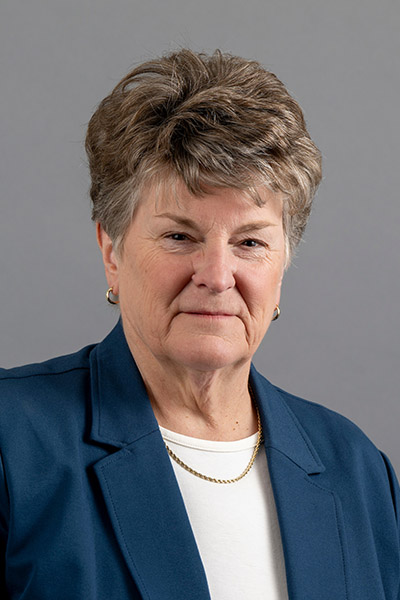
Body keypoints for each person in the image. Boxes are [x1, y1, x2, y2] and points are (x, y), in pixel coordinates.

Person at [0, 49, 399, 600]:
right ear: (111, 250)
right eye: (179, 236)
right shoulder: (11, 442)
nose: (217, 275)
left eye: (251, 242)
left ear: (284, 262)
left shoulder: (355, 469)